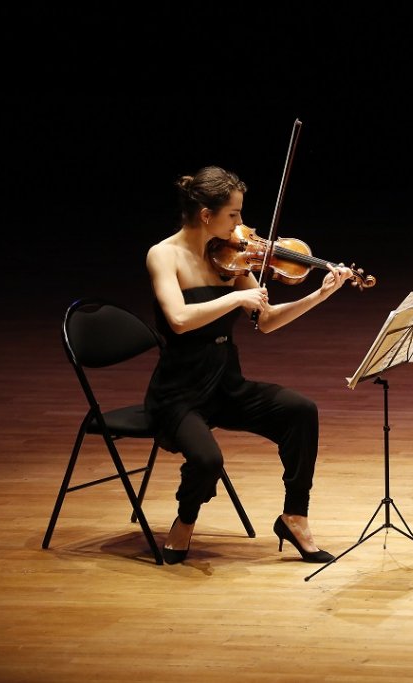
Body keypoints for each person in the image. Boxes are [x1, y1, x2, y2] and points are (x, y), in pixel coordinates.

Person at [145, 165, 351, 565]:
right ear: (207, 216)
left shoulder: (231, 257)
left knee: (300, 411)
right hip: (179, 390)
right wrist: (235, 299)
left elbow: (267, 320)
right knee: (207, 461)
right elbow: (179, 319)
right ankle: (185, 520)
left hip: (226, 381)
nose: (244, 225)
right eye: (234, 215)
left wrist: (318, 297)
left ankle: (295, 516)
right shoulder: (163, 255)